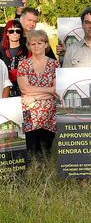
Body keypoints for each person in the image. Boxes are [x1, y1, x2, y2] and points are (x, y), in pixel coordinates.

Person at [18, 30, 57, 159]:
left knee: (46, 152)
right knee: (31, 152)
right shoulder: (23, 64)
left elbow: (56, 90)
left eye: (40, 43)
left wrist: (34, 96)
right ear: (29, 46)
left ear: (46, 44)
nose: (36, 46)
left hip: (49, 113)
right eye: (32, 44)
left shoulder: (54, 64)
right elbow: (25, 89)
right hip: (30, 113)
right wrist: (49, 91)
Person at [1, 20, 28, 97]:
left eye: (18, 31)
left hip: (24, 92)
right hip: (5, 92)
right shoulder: (1, 50)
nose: (15, 33)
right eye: (11, 31)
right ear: (7, 33)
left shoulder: (27, 49)